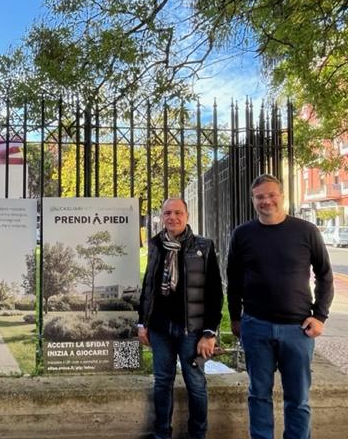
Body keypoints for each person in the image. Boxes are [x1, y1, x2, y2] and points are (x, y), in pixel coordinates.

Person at [227, 173, 334, 438]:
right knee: (258, 395)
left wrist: (319, 315)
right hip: (256, 326)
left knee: (298, 399)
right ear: (253, 200)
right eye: (260, 197)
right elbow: (233, 280)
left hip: (296, 329)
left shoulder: (306, 231)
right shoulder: (242, 234)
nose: (266, 201)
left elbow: (325, 275)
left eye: (271, 195)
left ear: (282, 196)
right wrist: (235, 318)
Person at [138, 198, 223, 439]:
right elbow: (149, 286)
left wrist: (210, 333)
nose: (172, 217)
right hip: (160, 328)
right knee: (162, 382)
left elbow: (215, 293)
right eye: (167, 213)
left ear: (186, 216)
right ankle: (161, 433)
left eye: (177, 213)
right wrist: (142, 323)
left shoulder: (203, 247)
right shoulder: (156, 244)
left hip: (192, 331)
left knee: (195, 383)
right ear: (161, 217)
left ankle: (198, 434)